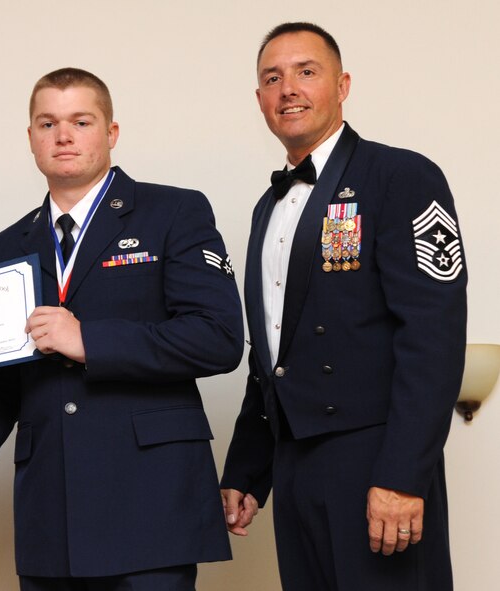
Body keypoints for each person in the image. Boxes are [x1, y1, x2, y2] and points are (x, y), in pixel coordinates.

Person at [0, 67, 244, 590]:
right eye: (47, 123)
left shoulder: (173, 211)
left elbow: (218, 337)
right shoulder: (6, 247)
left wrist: (88, 340)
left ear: (111, 133)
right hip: (52, 511)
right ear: (30, 139)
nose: (63, 135)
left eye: (80, 121)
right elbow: (0, 381)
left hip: (150, 507)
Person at [220, 22, 467, 591]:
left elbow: (433, 336)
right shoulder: (267, 208)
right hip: (295, 465)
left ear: (342, 84)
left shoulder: (402, 176)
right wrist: (248, 470)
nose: (289, 89)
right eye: (272, 78)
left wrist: (404, 476)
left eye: (307, 72)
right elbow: (275, 351)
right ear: (259, 98)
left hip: (377, 459)